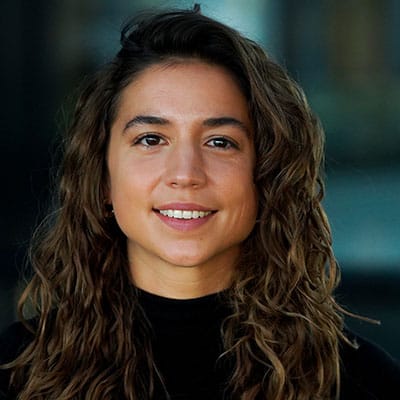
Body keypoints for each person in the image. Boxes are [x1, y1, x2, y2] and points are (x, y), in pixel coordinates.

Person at [0, 5, 399, 400]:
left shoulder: (361, 383)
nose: (186, 173)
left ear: (265, 175)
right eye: (151, 139)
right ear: (102, 177)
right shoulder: (16, 372)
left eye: (220, 142)